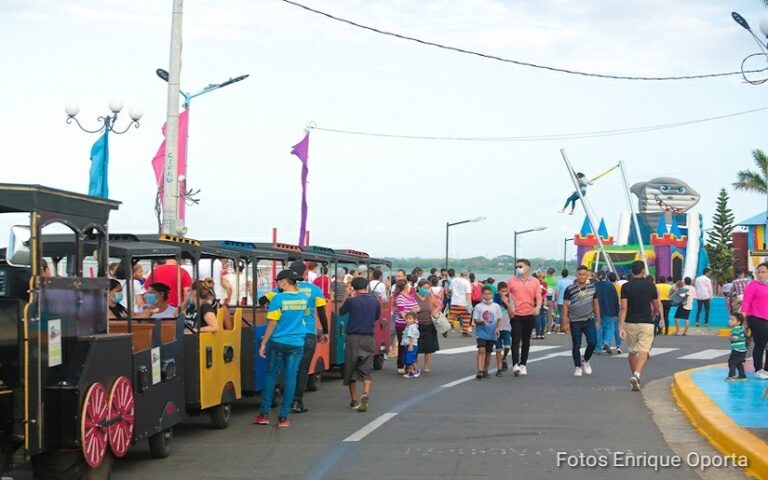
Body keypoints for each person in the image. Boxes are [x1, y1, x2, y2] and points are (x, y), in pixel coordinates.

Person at [268, 260, 329, 414]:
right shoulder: (315, 290)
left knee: (283, 368)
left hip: (285, 334)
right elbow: (321, 313)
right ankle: (296, 401)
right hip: (308, 334)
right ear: (305, 273)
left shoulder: (281, 289)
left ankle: (274, 397)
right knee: (302, 369)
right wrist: (325, 332)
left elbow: (263, 300)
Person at [253, 269, 308, 428]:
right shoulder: (303, 299)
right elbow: (304, 317)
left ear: (284, 282)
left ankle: (264, 414)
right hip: (297, 343)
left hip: (278, 342)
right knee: (291, 377)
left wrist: (263, 343)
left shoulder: (278, 299)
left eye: (279, 282)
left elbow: (272, 323)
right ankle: (283, 417)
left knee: (271, 375)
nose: (278, 285)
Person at [619, 261, 664, 391]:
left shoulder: (626, 287)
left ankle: (635, 377)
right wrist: (660, 317)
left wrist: (620, 326)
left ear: (632, 272)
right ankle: (637, 374)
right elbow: (657, 304)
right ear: (643, 271)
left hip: (630, 323)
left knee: (632, 351)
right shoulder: (651, 286)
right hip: (646, 322)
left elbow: (623, 308)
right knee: (644, 349)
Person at [339, 277, 381, 411]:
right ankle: (366, 394)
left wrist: (347, 295)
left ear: (354, 288)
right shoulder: (375, 301)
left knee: (351, 369)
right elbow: (376, 317)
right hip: (369, 338)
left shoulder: (352, 301)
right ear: (366, 286)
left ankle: (354, 400)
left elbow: (340, 312)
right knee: (366, 369)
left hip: (353, 338)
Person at [562, 265, 600, 376]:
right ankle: (577, 367)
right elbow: (565, 306)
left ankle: (586, 360)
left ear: (587, 275)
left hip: (589, 319)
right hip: (575, 320)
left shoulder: (592, 288)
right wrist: (565, 322)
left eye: (584, 274)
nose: (582, 276)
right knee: (576, 344)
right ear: (576, 275)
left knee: (593, 342)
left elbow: (596, 303)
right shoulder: (570, 289)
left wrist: (598, 318)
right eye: (580, 274)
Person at [507, 259, 542, 376]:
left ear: (527, 267)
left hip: (529, 314)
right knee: (516, 339)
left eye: (520, 266)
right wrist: (509, 308)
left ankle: (523, 364)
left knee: (526, 340)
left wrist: (538, 307)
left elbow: (538, 295)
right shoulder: (511, 281)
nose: (518, 268)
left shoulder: (535, 281)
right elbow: (506, 296)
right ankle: (515, 364)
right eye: (517, 266)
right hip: (516, 314)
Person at [741, 262, 768, 380]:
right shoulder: (753, 285)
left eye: (763, 272)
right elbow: (746, 301)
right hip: (756, 317)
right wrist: (743, 316)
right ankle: (758, 369)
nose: (760, 274)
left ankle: (766, 369)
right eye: (759, 272)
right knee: (760, 343)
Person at [472, 286, 502, 379]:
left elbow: (499, 319)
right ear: (482, 295)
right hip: (481, 331)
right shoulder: (478, 306)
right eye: (485, 294)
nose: (487, 296)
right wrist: (482, 322)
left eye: (489, 294)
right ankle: (480, 371)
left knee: (488, 353)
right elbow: (475, 320)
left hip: (492, 332)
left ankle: (485, 370)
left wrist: (498, 328)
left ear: (492, 294)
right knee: (481, 350)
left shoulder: (496, 306)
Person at [414, 279, 441, 372]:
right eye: (424, 288)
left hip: (429, 324)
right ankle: (415, 366)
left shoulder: (430, 296)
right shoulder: (413, 297)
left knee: (429, 348)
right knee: (415, 347)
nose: (426, 290)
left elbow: (439, 305)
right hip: (416, 325)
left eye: (428, 288)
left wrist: (435, 311)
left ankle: (426, 366)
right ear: (419, 288)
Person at [394, 280, 419, 374]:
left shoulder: (410, 297)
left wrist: (414, 311)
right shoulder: (400, 297)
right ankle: (401, 365)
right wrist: (409, 321)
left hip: (414, 325)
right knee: (404, 345)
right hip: (403, 325)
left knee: (413, 345)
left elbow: (418, 307)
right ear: (405, 286)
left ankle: (411, 365)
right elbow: (401, 311)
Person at [594, 271, 619, 354]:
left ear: (597, 276)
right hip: (609, 309)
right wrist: (616, 311)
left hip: (597, 310)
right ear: (605, 277)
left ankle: (598, 348)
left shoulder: (594, 286)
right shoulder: (611, 285)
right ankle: (606, 342)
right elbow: (615, 299)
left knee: (598, 328)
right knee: (609, 327)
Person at [493, 282, 514, 375]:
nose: (504, 293)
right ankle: (499, 369)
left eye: (506, 291)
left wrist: (507, 303)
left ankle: (504, 357)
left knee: (507, 346)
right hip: (496, 328)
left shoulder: (510, 300)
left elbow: (512, 315)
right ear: (498, 291)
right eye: (502, 291)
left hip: (507, 326)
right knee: (498, 349)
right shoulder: (494, 300)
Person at [449, 270, 473, 337]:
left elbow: (450, 290)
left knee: (451, 317)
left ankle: (445, 330)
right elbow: (468, 294)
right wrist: (470, 304)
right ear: (466, 275)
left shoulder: (453, 280)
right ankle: (464, 332)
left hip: (454, 302)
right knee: (467, 317)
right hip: (463, 303)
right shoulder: (466, 282)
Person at [726, 312, 748, 381]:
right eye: (730, 319)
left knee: (731, 362)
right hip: (742, 350)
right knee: (738, 363)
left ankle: (732, 376)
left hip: (737, 350)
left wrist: (730, 337)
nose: (729, 321)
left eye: (732, 320)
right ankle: (742, 375)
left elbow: (735, 338)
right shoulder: (740, 328)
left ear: (738, 322)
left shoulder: (735, 329)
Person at [401, 312, 420, 378]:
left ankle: (413, 371)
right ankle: (413, 370)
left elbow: (412, 337)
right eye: (406, 319)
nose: (408, 320)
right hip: (407, 345)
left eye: (410, 319)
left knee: (409, 359)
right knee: (408, 359)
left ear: (414, 320)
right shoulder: (408, 326)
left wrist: (411, 345)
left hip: (411, 345)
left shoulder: (412, 327)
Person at [608, 273, 623, 354]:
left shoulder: (608, 286)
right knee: (617, 327)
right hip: (619, 307)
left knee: (609, 326)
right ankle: (618, 346)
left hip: (609, 307)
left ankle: (608, 344)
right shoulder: (619, 286)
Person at [553, 269, 572, 334]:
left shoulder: (559, 282)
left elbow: (557, 292)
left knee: (562, 314)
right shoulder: (571, 281)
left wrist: (555, 299)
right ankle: (569, 327)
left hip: (561, 301)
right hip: (570, 300)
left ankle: (563, 328)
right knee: (569, 314)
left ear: (561, 274)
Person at [534, 272, 549, 339]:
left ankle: (537, 334)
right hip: (543, 301)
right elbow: (546, 292)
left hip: (536, 301)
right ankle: (542, 333)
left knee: (537, 317)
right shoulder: (545, 284)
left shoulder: (536, 284)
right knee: (542, 317)